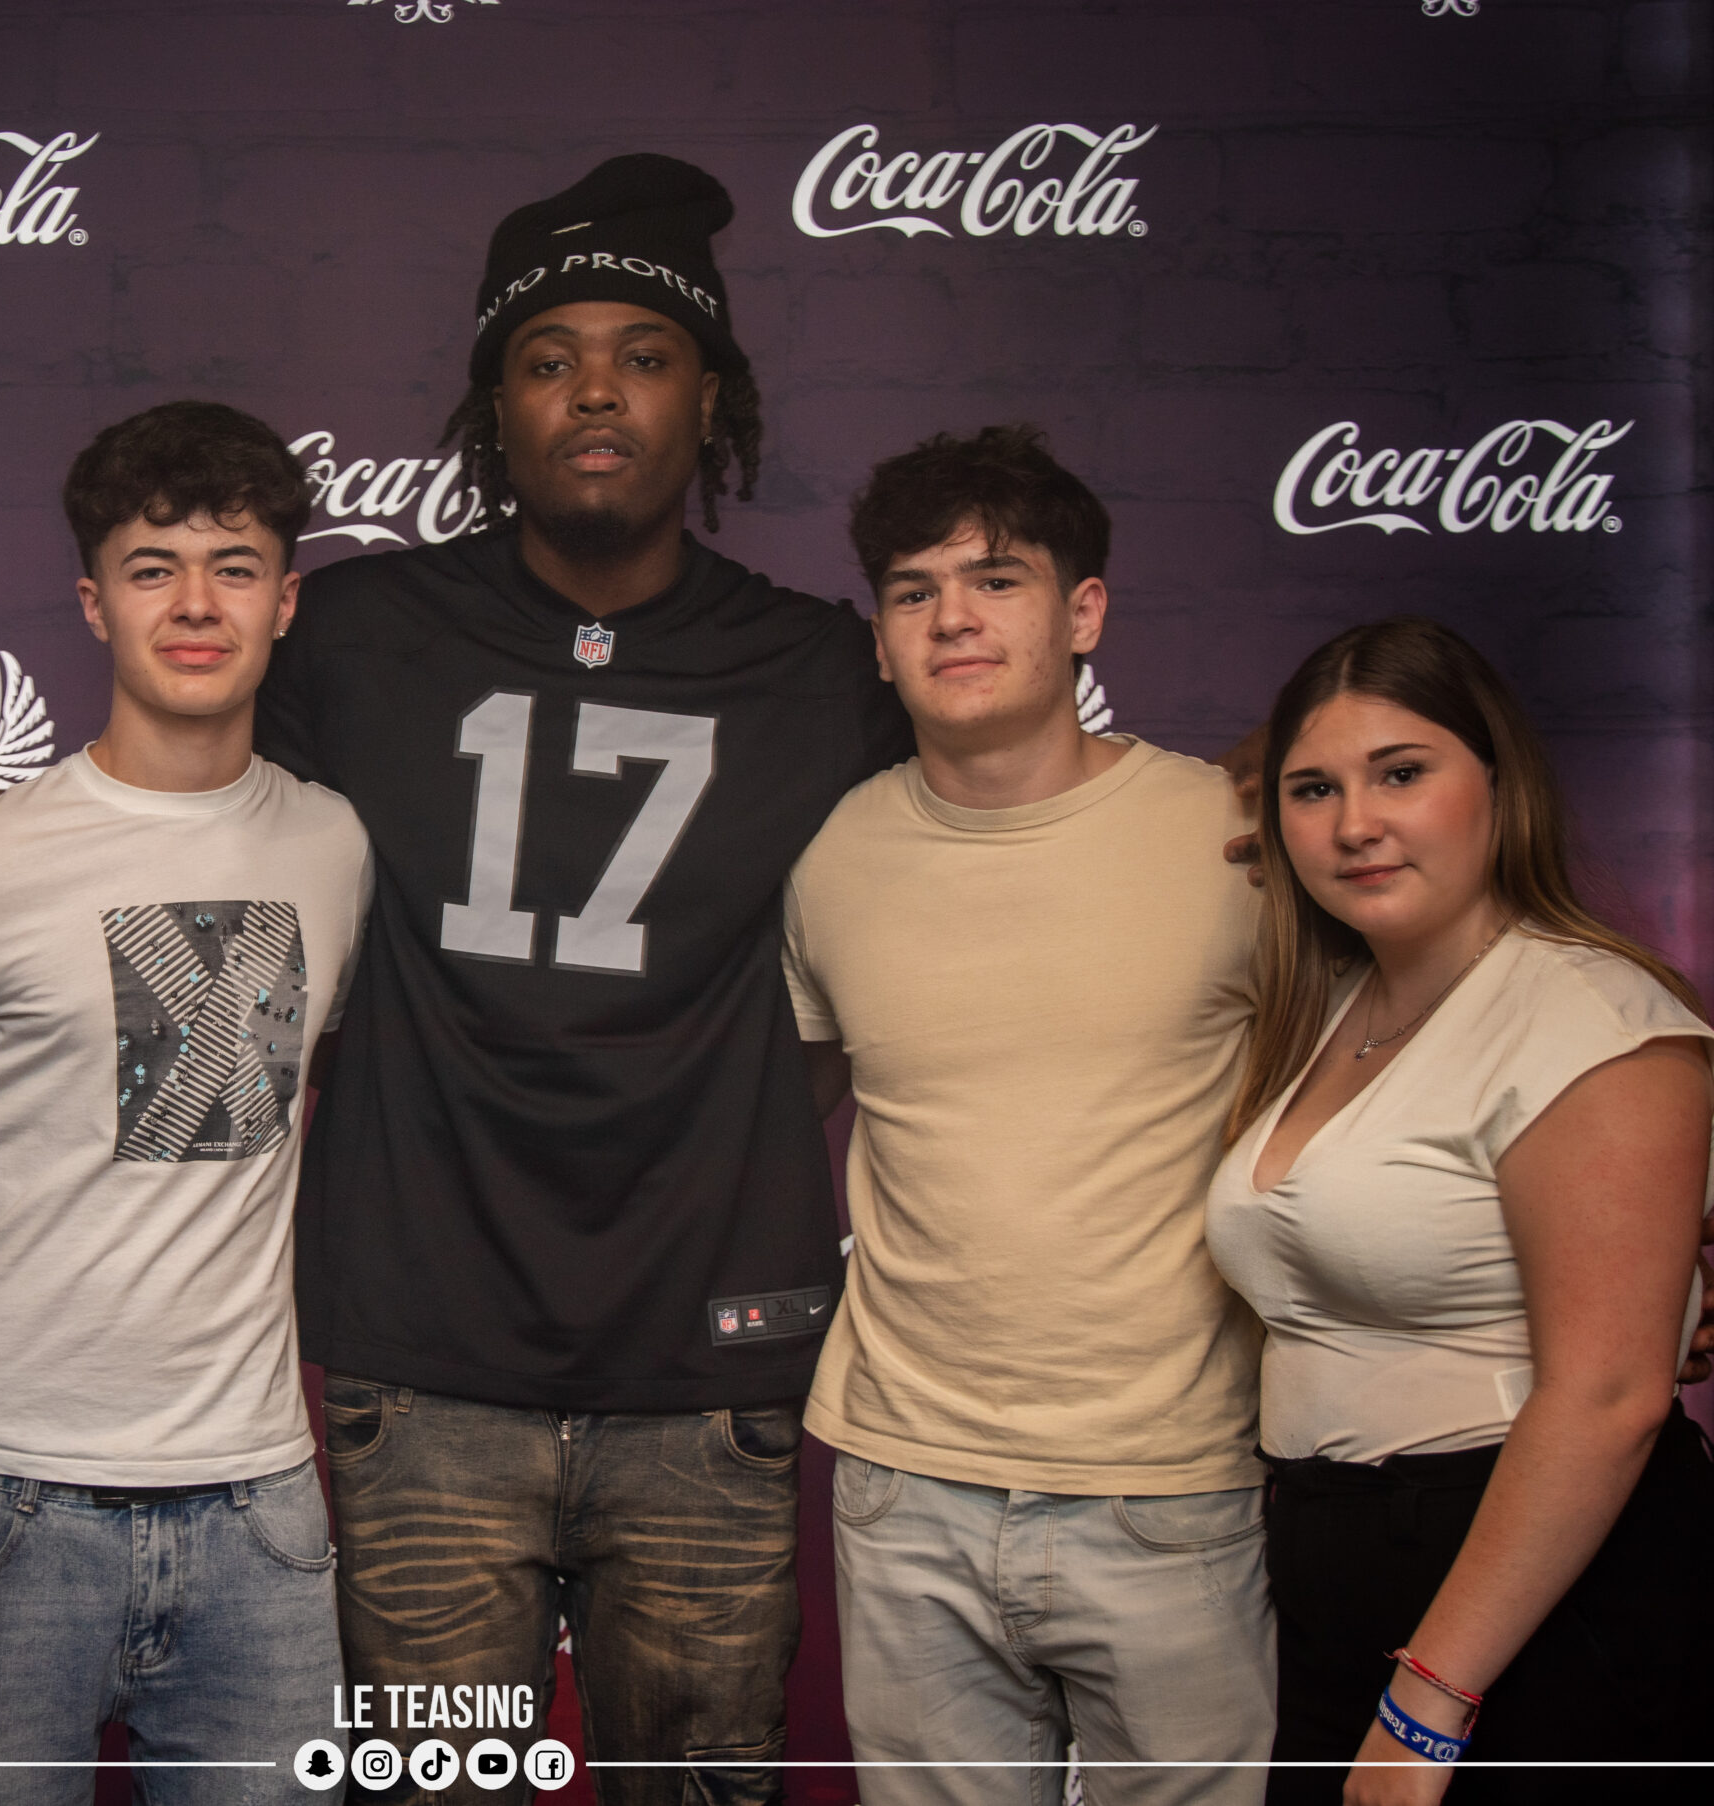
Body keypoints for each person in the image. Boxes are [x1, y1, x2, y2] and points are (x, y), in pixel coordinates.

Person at [253, 154, 913, 1801]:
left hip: (710, 1374)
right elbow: (160, 828)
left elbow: (1004, 839)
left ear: (711, 400)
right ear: (496, 411)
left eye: (644, 354)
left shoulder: (822, 667)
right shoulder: (351, 635)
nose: (597, 390)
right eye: (549, 360)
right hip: (423, 1366)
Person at [0, 402, 370, 1802]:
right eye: (154, 567)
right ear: (95, 604)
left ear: (285, 600)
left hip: (261, 1505)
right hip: (10, 1501)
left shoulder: (336, 846)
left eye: (233, 564)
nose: (196, 602)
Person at [782, 425, 1273, 1805]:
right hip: (906, 1482)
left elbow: (1393, 1074)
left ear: (1084, 612)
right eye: (914, 589)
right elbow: (780, 1112)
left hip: (1170, 1481)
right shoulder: (833, 854)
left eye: (996, 579)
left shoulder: (1233, 838)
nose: (953, 617)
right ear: (880, 641)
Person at [1204, 617, 1714, 1804]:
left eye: (1402, 774)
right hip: (1336, 1568)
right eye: (1313, 790)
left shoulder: (1592, 1019)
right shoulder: (1334, 1012)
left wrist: (1428, 1705)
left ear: (1498, 780)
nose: (1354, 823)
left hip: (1532, 1588)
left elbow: (1608, 1397)